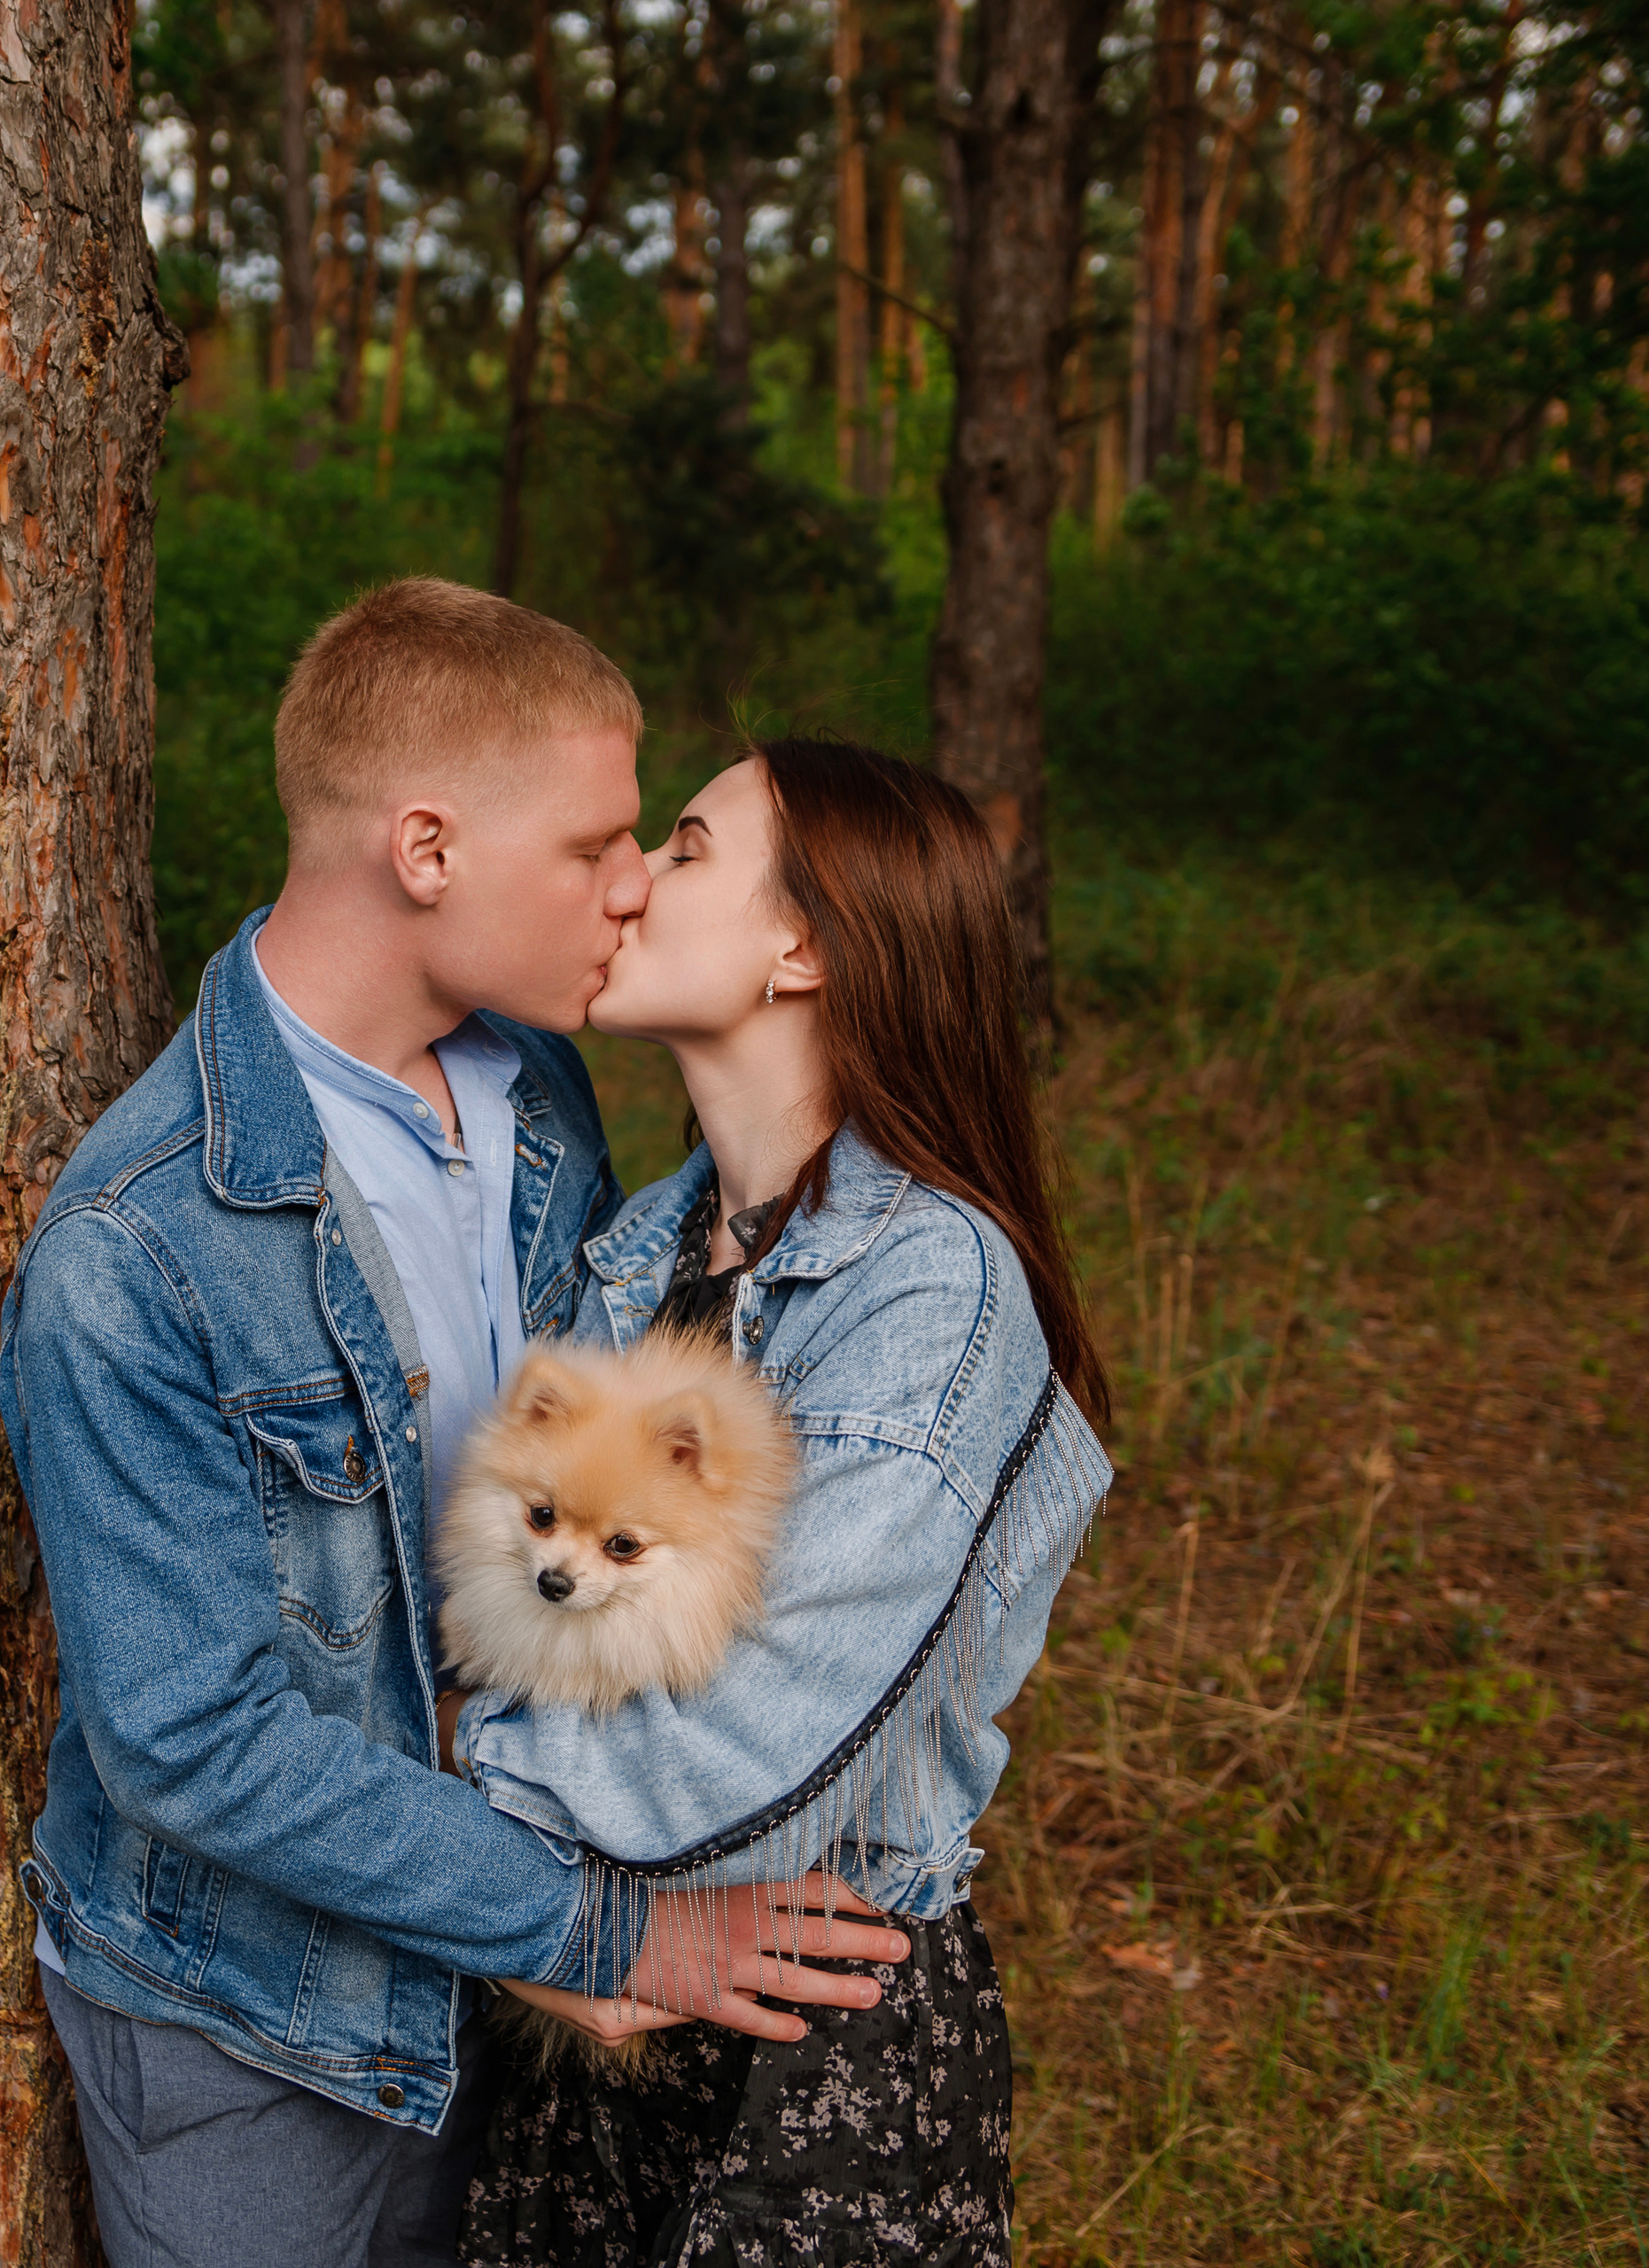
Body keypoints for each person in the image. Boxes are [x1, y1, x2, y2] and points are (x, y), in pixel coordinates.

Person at [0, 584, 909, 2268]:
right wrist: (606, 1927)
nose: (633, 886)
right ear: (426, 848)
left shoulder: (542, 1098)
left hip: (506, 1965)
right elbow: (192, 1739)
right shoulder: (137, 1254)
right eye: (595, 843)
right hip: (253, 2019)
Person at [444, 739, 1116, 2265]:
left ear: (801, 947)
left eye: (684, 849)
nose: (631, 882)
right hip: (594, 2038)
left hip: (805, 2054)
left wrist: (440, 1771)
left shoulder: (933, 1289)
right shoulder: (642, 1255)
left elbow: (744, 1765)